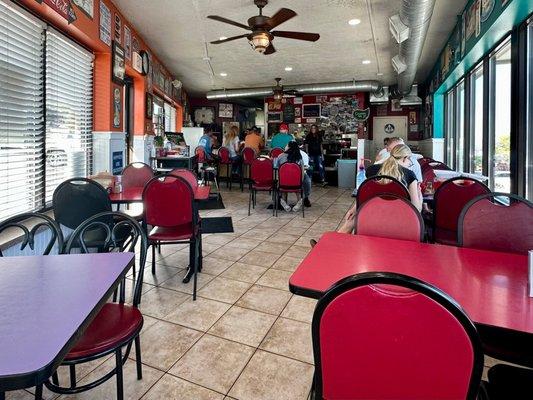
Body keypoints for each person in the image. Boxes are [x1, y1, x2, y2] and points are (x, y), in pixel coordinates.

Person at [337, 144, 422, 234]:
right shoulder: (410, 175)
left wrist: (354, 209)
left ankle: (336, 244)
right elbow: (416, 209)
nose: (410, 163)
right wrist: (419, 196)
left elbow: (364, 194)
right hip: (398, 221)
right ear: (405, 158)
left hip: (370, 215)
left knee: (351, 221)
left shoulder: (371, 170)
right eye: (410, 160)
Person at [276, 141, 312, 212]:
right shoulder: (299, 157)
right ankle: (301, 200)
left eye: (286, 145)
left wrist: (279, 181)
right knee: (305, 179)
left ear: (289, 147)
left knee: (282, 182)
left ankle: (283, 202)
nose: (285, 146)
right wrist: (300, 183)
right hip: (296, 183)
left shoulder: (280, 156)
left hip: (283, 183)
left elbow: (277, 169)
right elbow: (302, 171)